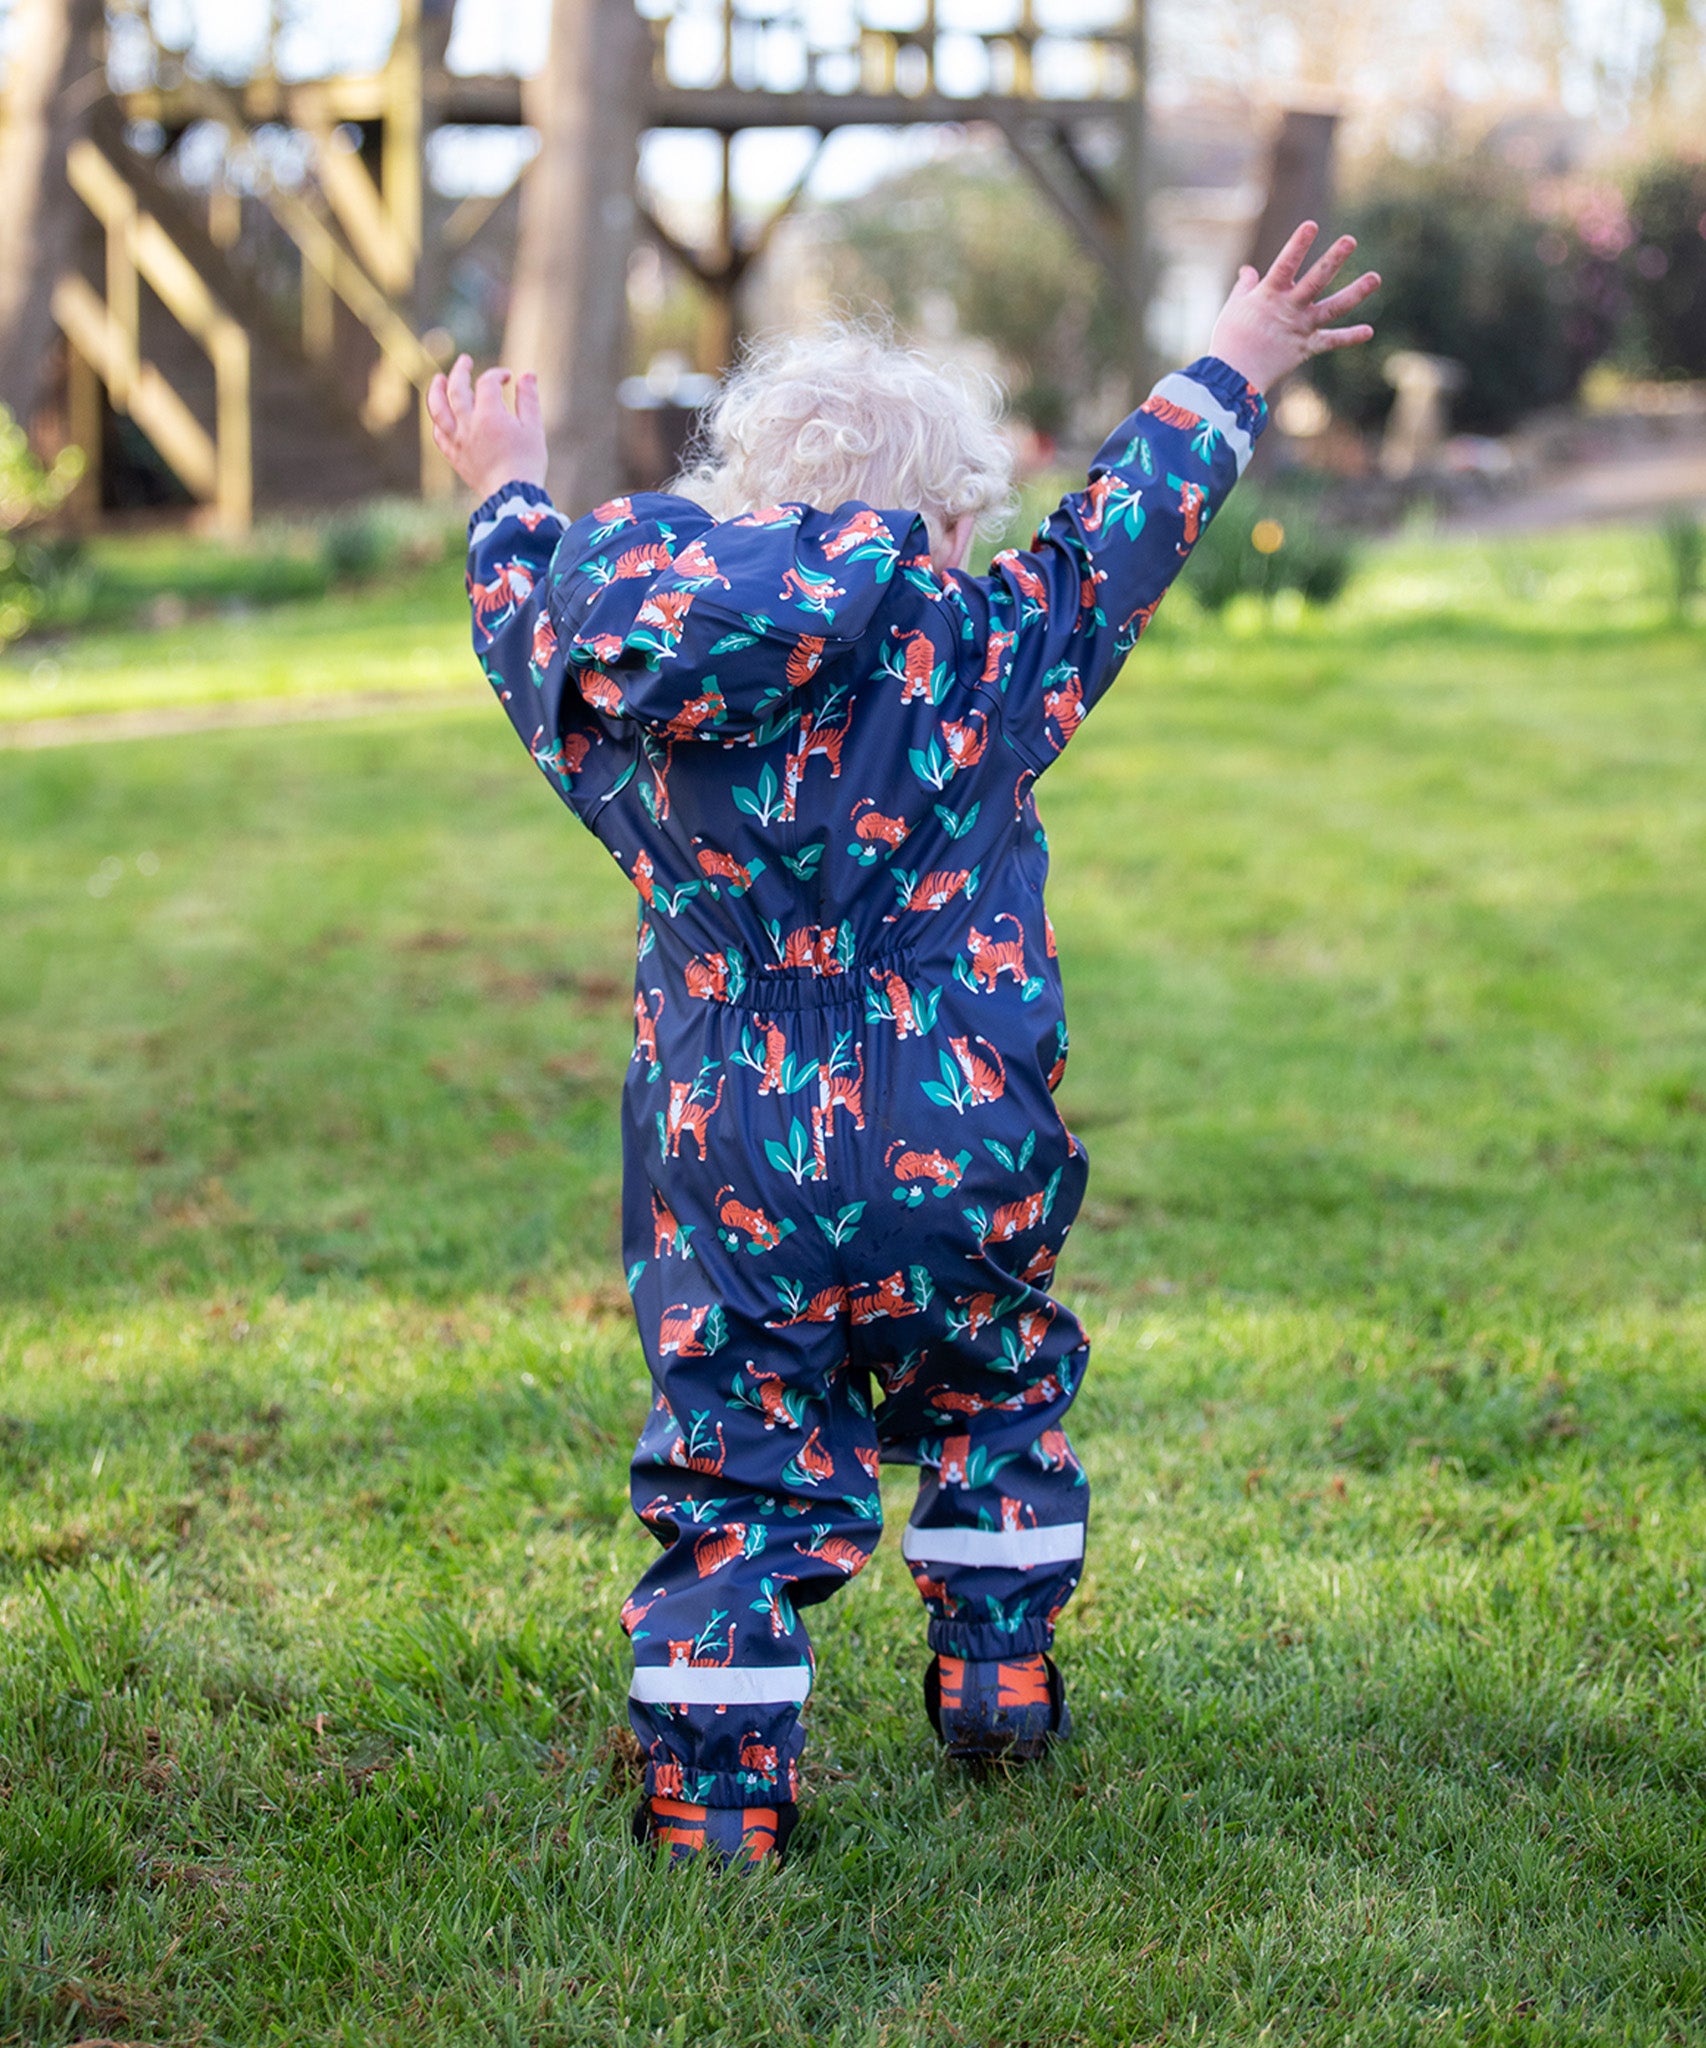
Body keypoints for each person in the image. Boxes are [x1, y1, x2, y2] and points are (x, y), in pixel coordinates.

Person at [431, 222, 1379, 1869]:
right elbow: (1117, 538)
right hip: (961, 1135)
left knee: (738, 1458)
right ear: (940, 521)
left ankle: (713, 1803)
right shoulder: (987, 648)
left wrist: (506, 477)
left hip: (732, 1167)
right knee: (992, 1383)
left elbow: (522, 616)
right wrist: (1232, 358)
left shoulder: (633, 687)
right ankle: (1000, 1669)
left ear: (741, 507)